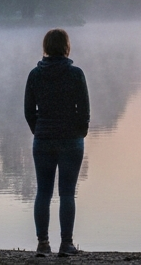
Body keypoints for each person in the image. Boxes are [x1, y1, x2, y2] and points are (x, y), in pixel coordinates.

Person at [25, 28, 89, 257]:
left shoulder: (35, 74)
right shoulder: (76, 74)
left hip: (43, 140)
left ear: (46, 47)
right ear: (66, 47)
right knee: (67, 193)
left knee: (43, 192)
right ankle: (66, 244)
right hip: (71, 140)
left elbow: (28, 111)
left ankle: (43, 244)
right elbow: (84, 110)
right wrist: (80, 133)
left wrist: (40, 130)